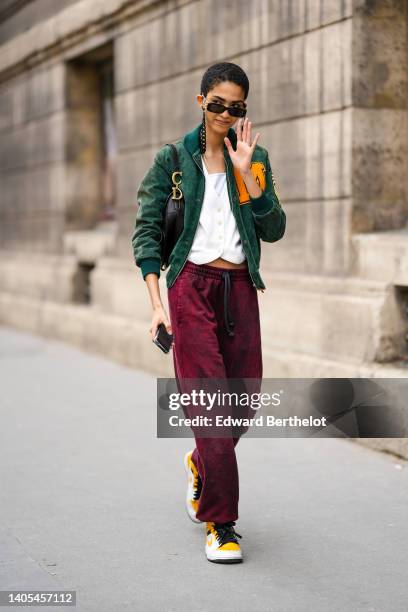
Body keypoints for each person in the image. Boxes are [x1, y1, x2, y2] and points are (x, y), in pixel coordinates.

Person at [131, 62, 286, 563]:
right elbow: (147, 233)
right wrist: (158, 305)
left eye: (235, 106)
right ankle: (221, 523)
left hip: (240, 287)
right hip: (190, 288)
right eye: (216, 103)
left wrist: (248, 178)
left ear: (244, 109)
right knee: (211, 403)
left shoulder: (253, 157)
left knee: (243, 403)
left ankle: (201, 461)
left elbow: (275, 228)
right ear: (201, 101)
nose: (224, 113)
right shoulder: (173, 160)